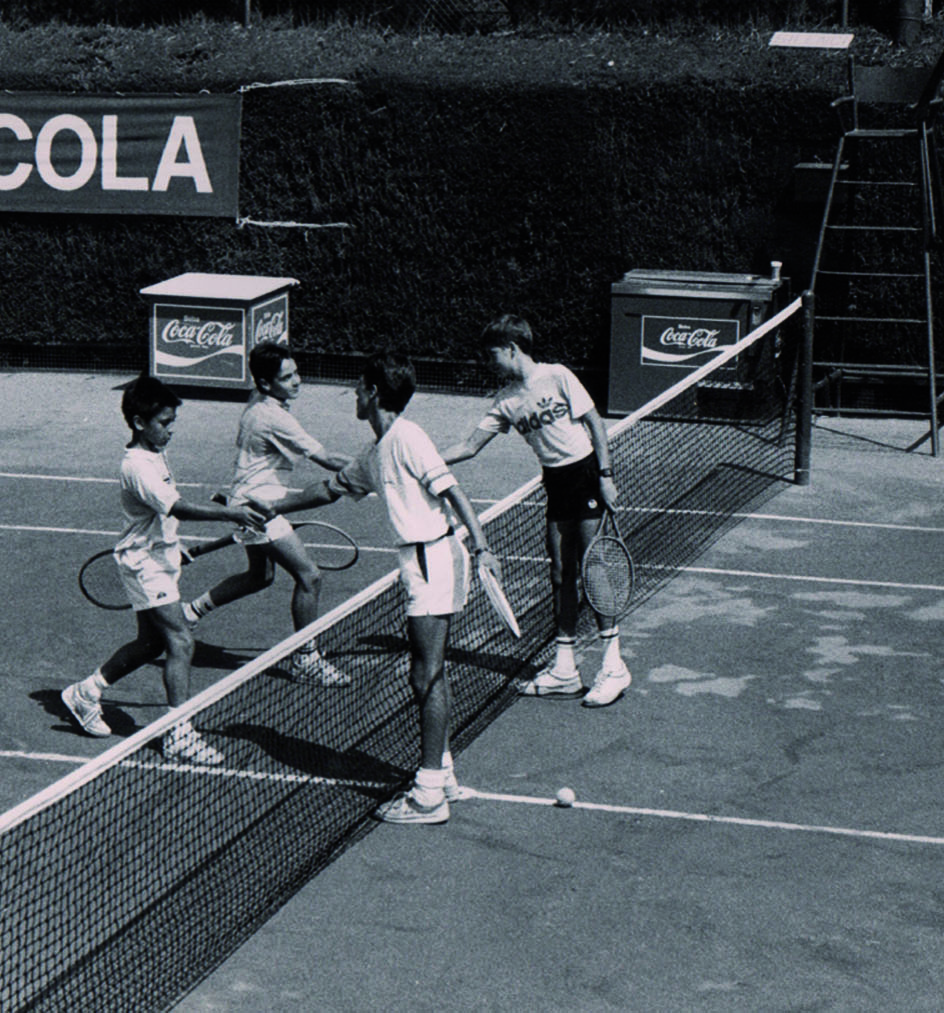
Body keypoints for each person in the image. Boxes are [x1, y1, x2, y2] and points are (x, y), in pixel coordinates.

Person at [274, 352, 498, 825]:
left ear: (374, 392)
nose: (353, 395)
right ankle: (444, 775)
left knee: (426, 676)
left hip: (433, 558)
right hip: (421, 561)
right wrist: (275, 508)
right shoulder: (378, 450)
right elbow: (331, 489)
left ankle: (429, 795)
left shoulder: (409, 437)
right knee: (429, 672)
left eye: (358, 387)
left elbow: (452, 491)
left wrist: (482, 547)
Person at [60, 375, 269, 767]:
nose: (170, 430)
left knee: (150, 644)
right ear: (140, 423)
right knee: (181, 641)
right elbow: (177, 507)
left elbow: (163, 518)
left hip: (160, 559)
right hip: (145, 566)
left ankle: (85, 693)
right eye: (164, 423)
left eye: (173, 422)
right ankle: (179, 735)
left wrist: (183, 548)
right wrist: (233, 512)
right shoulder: (137, 465)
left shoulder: (153, 454)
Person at [442, 314, 631, 707]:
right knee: (560, 573)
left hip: (584, 475)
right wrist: (425, 462)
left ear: (512, 349)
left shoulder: (557, 375)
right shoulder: (506, 399)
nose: (488, 361)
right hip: (555, 483)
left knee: (591, 567)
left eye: (492, 354)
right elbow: (470, 446)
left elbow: (594, 422)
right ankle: (565, 668)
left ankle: (613, 665)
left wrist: (606, 475)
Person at [181, 342, 354, 687]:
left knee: (259, 576)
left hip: (247, 500)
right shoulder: (274, 417)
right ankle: (307, 658)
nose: (297, 381)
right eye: (286, 377)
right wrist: (375, 470)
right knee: (310, 576)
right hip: (261, 508)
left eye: (295, 373)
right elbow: (327, 459)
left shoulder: (258, 402)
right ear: (264, 383)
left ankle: (189, 613)